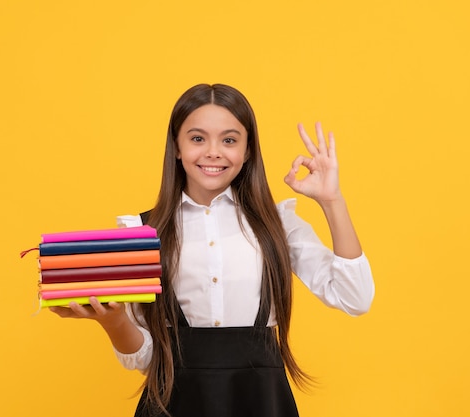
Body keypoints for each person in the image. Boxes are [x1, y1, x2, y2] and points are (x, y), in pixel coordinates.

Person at [50, 83, 375, 417]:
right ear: (176, 146)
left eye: (230, 140)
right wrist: (114, 321)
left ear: (248, 150)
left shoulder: (279, 224)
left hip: (261, 402)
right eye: (197, 138)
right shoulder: (141, 232)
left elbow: (355, 297)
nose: (213, 152)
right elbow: (146, 360)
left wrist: (332, 201)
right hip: (174, 403)